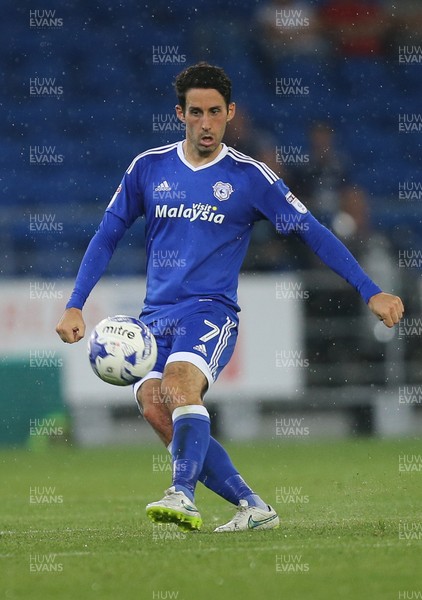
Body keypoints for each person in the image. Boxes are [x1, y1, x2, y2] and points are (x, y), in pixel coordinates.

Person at [56, 62, 404, 533]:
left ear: (230, 113)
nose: (205, 123)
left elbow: (311, 232)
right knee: (157, 406)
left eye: (215, 112)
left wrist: (371, 290)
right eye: (195, 112)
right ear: (180, 113)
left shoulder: (250, 177)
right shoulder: (148, 168)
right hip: (155, 318)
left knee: (179, 388)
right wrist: (77, 302)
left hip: (209, 312)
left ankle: (182, 493)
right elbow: (108, 234)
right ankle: (252, 506)